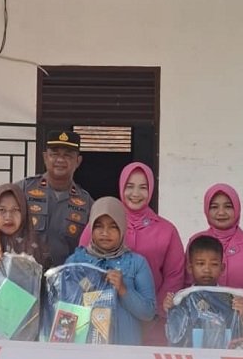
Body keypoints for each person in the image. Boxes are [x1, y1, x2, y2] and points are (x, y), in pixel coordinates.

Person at [80, 162, 184, 345]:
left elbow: (174, 274)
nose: (135, 193)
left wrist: (156, 311)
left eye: (143, 187)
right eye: (130, 186)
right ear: (121, 187)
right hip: (100, 320)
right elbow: (82, 265)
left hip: (153, 321)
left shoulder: (166, 230)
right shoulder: (100, 224)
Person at [190, 183, 243, 348]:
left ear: (237, 208)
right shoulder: (197, 242)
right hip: (203, 331)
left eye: (228, 206)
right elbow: (187, 286)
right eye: (214, 207)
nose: (221, 212)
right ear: (206, 209)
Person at [66, 196, 156, 345]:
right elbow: (64, 309)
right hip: (84, 350)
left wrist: (123, 290)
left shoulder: (136, 263)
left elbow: (148, 313)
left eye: (113, 226)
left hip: (126, 351)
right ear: (91, 228)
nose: (105, 233)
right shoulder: (76, 263)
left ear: (122, 227)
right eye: (99, 226)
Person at [22, 130, 93, 266]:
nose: (60, 160)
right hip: (25, 274)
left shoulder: (87, 203)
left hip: (66, 276)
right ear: (45, 157)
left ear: (78, 161)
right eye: (54, 154)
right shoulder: (23, 190)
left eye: (68, 155)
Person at [163, 235, 243, 347]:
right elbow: (174, 336)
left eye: (214, 264)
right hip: (191, 357)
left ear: (222, 268)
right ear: (190, 268)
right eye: (200, 263)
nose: (207, 270)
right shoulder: (181, 299)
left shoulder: (232, 299)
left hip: (222, 357)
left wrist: (241, 314)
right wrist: (171, 310)